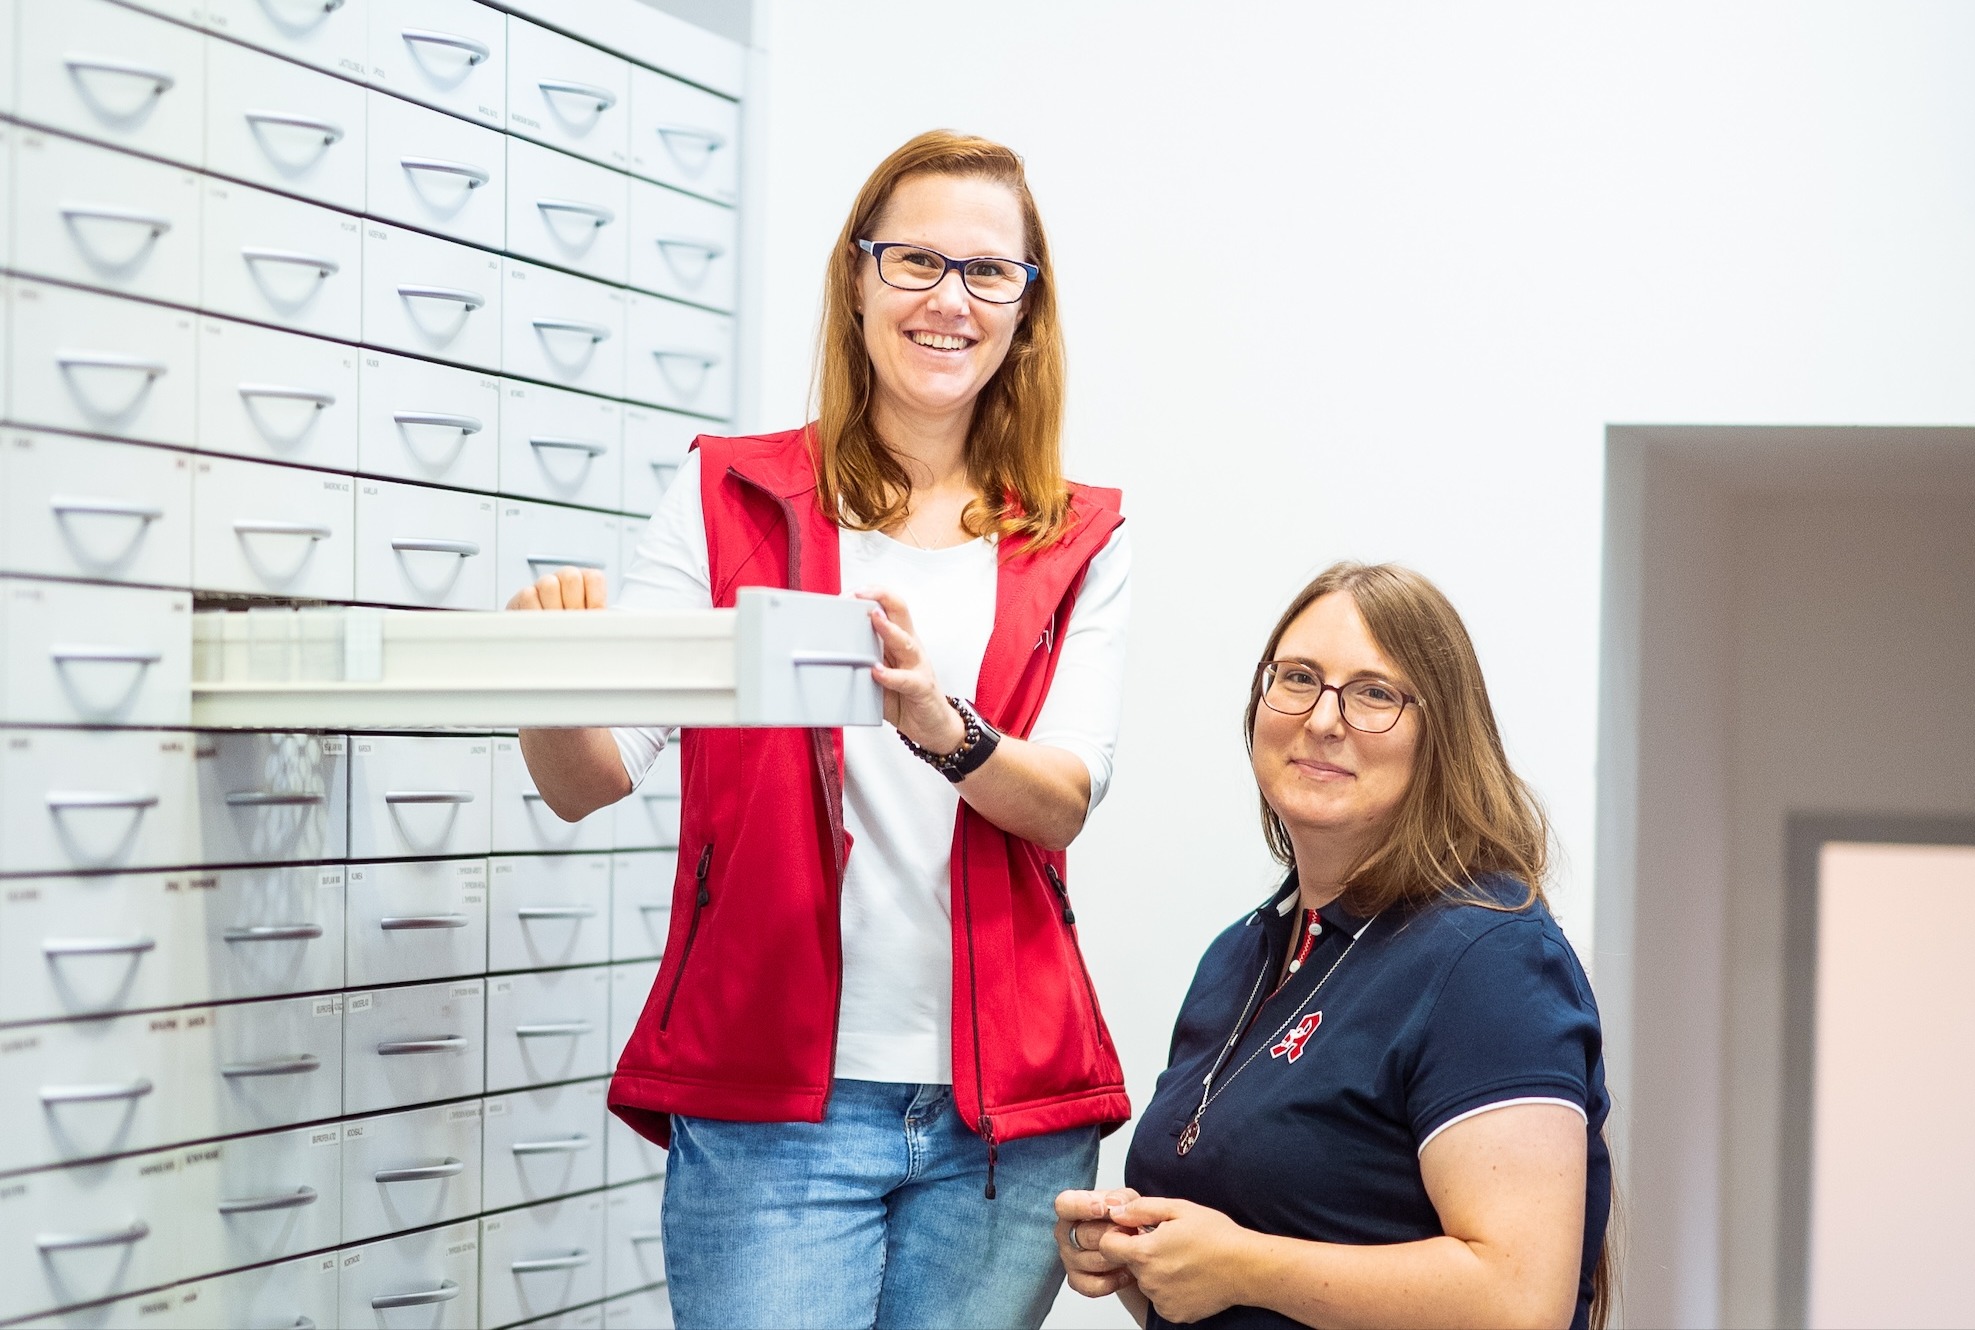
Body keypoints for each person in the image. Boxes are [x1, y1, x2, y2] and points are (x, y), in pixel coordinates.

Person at [505, 130, 1133, 1329]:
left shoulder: (1076, 535)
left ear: (1025, 311)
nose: (948, 298)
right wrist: (551, 673)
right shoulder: (723, 493)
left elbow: (1063, 799)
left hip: (1002, 1121)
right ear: (857, 280)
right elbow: (588, 779)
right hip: (774, 1107)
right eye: (913, 261)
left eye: (988, 272)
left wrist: (944, 726)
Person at [1054, 562, 1612, 1330]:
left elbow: (1519, 1300)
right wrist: (1140, 1257)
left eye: (1375, 693)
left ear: (1442, 737)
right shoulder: (1240, 956)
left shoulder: (1489, 957)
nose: (1323, 718)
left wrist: (1239, 1263)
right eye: (1298, 678)